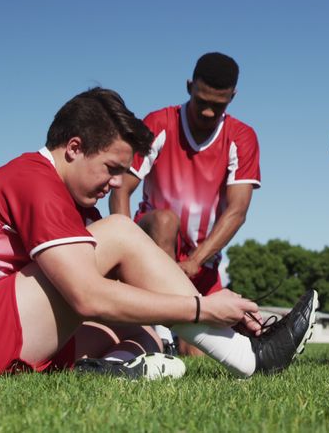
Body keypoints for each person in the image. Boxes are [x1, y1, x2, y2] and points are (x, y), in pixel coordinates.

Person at [0, 87, 317, 378]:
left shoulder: (62, 192)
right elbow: (87, 296)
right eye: (111, 168)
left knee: (145, 335)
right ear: (73, 148)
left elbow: (123, 285)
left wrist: (219, 309)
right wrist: (203, 308)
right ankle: (251, 357)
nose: (115, 184)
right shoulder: (37, 182)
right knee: (120, 231)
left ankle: (106, 372)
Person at [110, 53, 259, 353]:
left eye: (218, 105)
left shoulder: (241, 137)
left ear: (233, 96)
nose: (207, 112)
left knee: (202, 355)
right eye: (201, 101)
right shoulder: (159, 123)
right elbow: (121, 189)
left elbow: (237, 211)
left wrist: (194, 262)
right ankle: (163, 327)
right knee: (166, 220)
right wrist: (122, 248)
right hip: (153, 240)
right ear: (189, 86)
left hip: (201, 261)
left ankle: (177, 330)